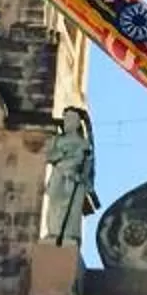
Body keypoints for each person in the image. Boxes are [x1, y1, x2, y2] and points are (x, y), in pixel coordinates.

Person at [39, 105, 99, 249]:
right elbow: (49, 156)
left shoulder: (84, 144)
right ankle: (54, 233)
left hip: (74, 179)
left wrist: (82, 174)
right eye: (66, 119)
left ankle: (68, 235)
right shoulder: (57, 140)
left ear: (78, 123)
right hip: (59, 174)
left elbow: (88, 165)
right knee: (55, 205)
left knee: (71, 209)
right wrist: (63, 156)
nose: (67, 122)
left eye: (71, 119)